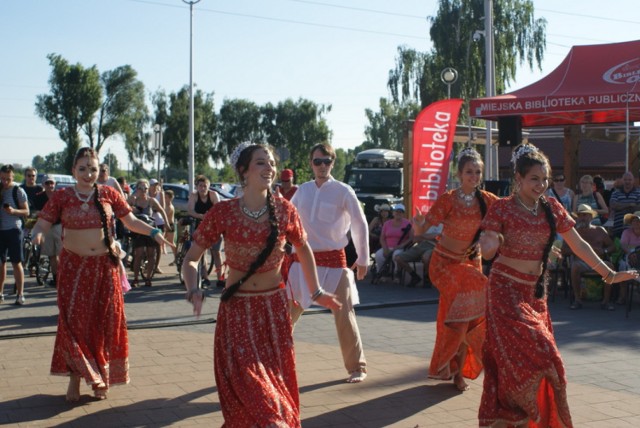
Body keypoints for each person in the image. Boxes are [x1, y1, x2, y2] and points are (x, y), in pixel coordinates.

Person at [477, 143, 638, 427]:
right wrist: (490, 244)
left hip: (535, 293)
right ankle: (513, 415)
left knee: (544, 361)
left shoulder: (551, 208)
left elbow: (579, 244)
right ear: (518, 179)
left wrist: (608, 273)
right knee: (534, 353)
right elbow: (488, 246)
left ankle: (527, 419)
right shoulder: (502, 208)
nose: (541, 185)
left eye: (545, 179)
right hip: (504, 291)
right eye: (534, 179)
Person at [181, 142, 340, 426]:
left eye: (271, 163)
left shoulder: (284, 210)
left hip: (273, 314)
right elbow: (191, 259)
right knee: (257, 398)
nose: (269, 169)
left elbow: (303, 249)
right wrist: (193, 288)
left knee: (273, 392)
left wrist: (316, 291)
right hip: (237, 314)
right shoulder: (224, 212)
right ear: (243, 171)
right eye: (261, 163)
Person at [30, 147, 174, 402]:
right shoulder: (63, 196)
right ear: (73, 170)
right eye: (83, 168)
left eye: (93, 169)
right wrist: (38, 234)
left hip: (104, 268)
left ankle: (100, 379)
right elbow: (43, 222)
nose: (88, 174)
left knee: (102, 323)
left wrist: (153, 232)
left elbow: (130, 221)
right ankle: (75, 380)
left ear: (100, 171)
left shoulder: (108, 193)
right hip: (74, 269)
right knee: (74, 324)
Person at [413, 146, 499, 392]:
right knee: (475, 290)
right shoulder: (448, 199)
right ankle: (457, 366)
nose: (474, 176)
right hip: (444, 265)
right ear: (459, 174)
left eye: (478, 172)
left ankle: (457, 372)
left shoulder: (488, 200)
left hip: (471, 264)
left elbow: (509, 218)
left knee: (463, 320)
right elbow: (421, 231)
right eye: (469, 172)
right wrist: (418, 225)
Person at [288, 143, 370, 383]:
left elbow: (359, 223)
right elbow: (286, 217)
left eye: (326, 161)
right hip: (303, 261)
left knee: (344, 314)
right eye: (317, 161)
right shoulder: (302, 190)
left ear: (333, 163)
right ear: (311, 163)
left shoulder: (344, 191)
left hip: (335, 262)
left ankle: (357, 367)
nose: (322, 166)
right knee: (286, 315)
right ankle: (271, 362)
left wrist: (363, 258)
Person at [562, 204, 617, 310]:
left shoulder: (600, 230)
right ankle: (577, 300)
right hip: (581, 262)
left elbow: (612, 247)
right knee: (575, 267)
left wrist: (604, 250)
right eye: (581, 215)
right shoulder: (573, 232)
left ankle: (606, 301)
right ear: (577, 217)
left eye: (586, 215)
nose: (583, 217)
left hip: (599, 261)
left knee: (610, 267)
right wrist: (576, 250)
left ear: (591, 217)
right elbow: (564, 250)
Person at [127, 179, 171, 287]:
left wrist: (167, 223)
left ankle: (148, 277)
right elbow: (123, 209)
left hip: (150, 229)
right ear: (136, 189)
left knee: (151, 254)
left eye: (145, 188)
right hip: (138, 230)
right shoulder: (133, 200)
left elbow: (162, 210)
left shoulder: (151, 201)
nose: (143, 191)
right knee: (139, 254)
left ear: (148, 189)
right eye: (140, 188)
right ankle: (136, 278)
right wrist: (131, 207)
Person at [0, 164, 30, 305]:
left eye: (7, 179)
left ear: (13, 177)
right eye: (2, 179)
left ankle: (20, 294)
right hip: (1, 231)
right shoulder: (0, 189)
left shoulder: (18, 190)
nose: (5, 182)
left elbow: (26, 212)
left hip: (14, 230)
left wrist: (13, 211)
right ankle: (0, 293)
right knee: (1, 263)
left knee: (16, 262)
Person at [187, 174, 223, 287]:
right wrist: (201, 216)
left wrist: (210, 217)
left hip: (214, 226)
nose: (203, 188)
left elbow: (219, 209)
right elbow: (190, 211)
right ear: (197, 187)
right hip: (199, 225)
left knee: (216, 252)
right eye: (200, 186)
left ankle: (220, 278)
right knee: (201, 253)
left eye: (205, 186)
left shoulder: (213, 195)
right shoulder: (194, 196)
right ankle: (205, 277)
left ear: (209, 186)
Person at [33, 175, 63, 287]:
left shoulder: (59, 196)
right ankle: (56, 279)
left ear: (55, 184)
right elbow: (36, 212)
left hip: (59, 226)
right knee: (51, 255)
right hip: (46, 227)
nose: (50, 185)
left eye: (51, 183)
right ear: (43, 185)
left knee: (62, 254)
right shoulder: (38, 197)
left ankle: (63, 278)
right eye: (47, 183)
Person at [394, 223, 442, 287]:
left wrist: (424, 236)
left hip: (435, 247)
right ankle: (415, 277)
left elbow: (437, 237)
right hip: (422, 244)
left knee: (425, 257)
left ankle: (428, 278)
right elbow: (418, 238)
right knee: (398, 258)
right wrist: (425, 236)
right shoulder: (433, 224)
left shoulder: (448, 225)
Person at [374, 203, 413, 280]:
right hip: (387, 247)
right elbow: (382, 238)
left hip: (400, 248)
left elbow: (411, 238)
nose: (398, 213)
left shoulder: (408, 223)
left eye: (400, 212)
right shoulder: (387, 223)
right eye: (396, 211)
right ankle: (382, 272)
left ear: (403, 214)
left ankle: (397, 274)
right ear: (393, 213)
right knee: (378, 255)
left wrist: (402, 245)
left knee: (396, 255)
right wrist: (385, 248)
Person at [615, 211, 640, 305]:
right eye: (634, 220)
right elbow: (623, 245)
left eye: (638, 221)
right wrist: (630, 253)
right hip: (628, 256)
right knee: (623, 267)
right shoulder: (626, 232)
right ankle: (622, 296)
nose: (636, 223)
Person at [608, 172, 640, 238]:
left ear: (633, 180)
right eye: (625, 180)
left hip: (635, 229)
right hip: (618, 228)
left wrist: (620, 206)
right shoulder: (615, 193)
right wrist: (630, 205)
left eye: (629, 180)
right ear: (622, 180)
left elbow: (638, 208)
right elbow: (613, 205)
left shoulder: (638, 193)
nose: (627, 181)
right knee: (618, 248)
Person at [163, 189, 177, 266]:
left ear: (170, 198)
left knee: (171, 242)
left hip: (170, 226)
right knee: (161, 241)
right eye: (164, 197)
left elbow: (165, 214)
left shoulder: (170, 207)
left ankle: (176, 257)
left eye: (166, 197)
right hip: (166, 225)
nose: (165, 199)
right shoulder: (166, 206)